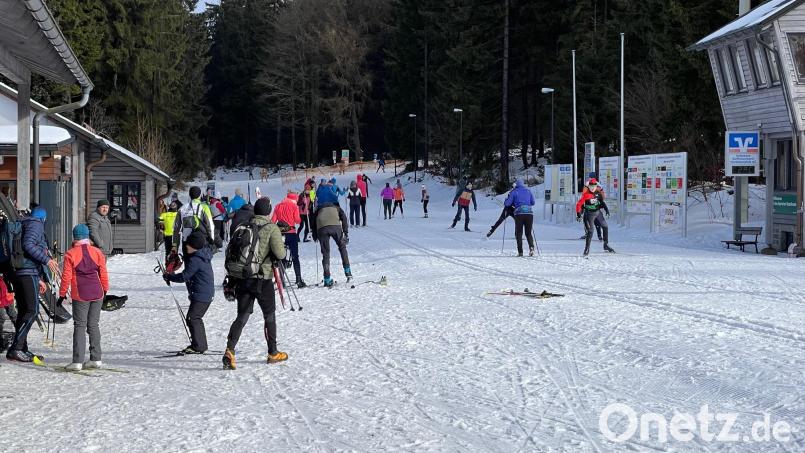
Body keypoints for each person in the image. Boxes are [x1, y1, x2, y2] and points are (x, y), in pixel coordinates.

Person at [223, 197, 287, 369]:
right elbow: (280, 255)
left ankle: (230, 350)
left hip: (243, 277)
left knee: (242, 316)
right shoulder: (271, 228)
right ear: (268, 211)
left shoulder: (243, 226)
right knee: (269, 316)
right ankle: (273, 352)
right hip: (263, 279)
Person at [7, 206, 59, 363]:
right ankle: (16, 349)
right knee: (32, 310)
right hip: (26, 272)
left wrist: (39, 278)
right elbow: (28, 245)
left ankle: (22, 348)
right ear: (43, 218)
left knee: (24, 311)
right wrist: (47, 260)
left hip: (20, 272)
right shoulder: (36, 224)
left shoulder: (24, 223)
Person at [58, 224, 109, 371]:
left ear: (74, 237)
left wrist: (62, 294)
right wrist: (105, 289)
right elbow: (103, 273)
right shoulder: (97, 252)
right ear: (88, 236)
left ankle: (77, 361)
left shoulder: (70, 254)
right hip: (97, 292)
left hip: (80, 294)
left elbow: (66, 276)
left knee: (80, 326)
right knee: (93, 325)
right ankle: (96, 359)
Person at [164, 230, 215, 354]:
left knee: (193, 318)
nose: (186, 247)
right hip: (203, 293)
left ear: (194, 246)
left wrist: (170, 276)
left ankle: (199, 346)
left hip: (202, 295)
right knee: (193, 318)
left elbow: (184, 276)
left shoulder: (195, 260)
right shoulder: (202, 255)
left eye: (189, 245)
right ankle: (199, 344)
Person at [311, 201, 351, 287]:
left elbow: (312, 221)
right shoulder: (337, 207)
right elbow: (344, 218)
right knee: (342, 247)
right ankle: (348, 272)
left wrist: (315, 236)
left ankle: (327, 279)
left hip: (322, 228)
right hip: (335, 227)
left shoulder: (318, 209)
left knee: (325, 254)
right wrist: (345, 232)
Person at [272, 191, 306, 288]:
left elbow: (273, 221)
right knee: (295, 257)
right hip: (291, 234)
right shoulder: (294, 206)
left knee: (281, 257)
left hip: (280, 235)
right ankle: (298, 279)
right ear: (294, 199)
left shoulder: (278, 206)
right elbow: (297, 220)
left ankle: (281, 281)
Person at [575, 178, 615, 256]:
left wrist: (607, 210)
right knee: (590, 232)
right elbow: (578, 204)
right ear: (588, 187)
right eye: (591, 186)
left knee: (605, 226)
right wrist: (579, 214)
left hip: (597, 213)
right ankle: (586, 249)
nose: (592, 188)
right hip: (588, 215)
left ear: (596, 186)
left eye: (594, 186)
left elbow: (602, 202)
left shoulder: (598, 193)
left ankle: (606, 245)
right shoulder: (586, 195)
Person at [173, 186, 216, 256]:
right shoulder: (204, 207)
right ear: (199, 195)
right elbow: (210, 226)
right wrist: (211, 242)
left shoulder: (182, 208)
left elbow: (176, 229)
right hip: (201, 241)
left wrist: (175, 247)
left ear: (190, 195)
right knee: (202, 264)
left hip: (186, 242)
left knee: (189, 265)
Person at [504, 179, 536, 257]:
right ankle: (531, 248)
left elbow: (507, 203)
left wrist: (506, 200)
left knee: (519, 233)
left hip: (519, 214)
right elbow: (533, 202)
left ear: (516, 184)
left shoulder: (514, 192)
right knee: (528, 233)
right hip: (529, 213)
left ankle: (520, 251)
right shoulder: (528, 191)